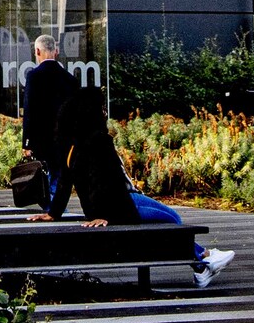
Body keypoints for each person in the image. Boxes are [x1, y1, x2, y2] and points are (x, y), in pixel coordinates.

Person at [34, 88, 235, 287]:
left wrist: (54, 212)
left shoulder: (72, 145)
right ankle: (204, 259)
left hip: (109, 204)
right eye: (101, 107)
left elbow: (65, 182)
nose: (104, 111)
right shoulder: (99, 140)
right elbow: (103, 181)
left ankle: (203, 263)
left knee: (169, 222)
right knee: (173, 220)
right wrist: (104, 215)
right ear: (90, 111)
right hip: (119, 204)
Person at [21, 34, 78, 204]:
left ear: (37, 51)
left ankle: (50, 206)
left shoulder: (34, 76)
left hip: (41, 138)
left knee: (44, 173)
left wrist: (27, 143)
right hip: (64, 138)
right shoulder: (70, 80)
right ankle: (55, 204)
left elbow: (29, 111)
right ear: (57, 51)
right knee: (58, 174)